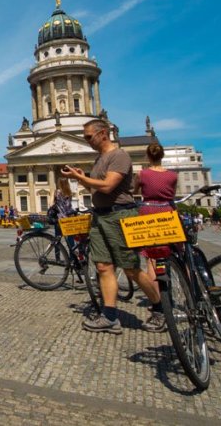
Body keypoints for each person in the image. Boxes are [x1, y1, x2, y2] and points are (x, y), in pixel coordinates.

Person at [62, 118, 165, 334]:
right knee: (103, 267)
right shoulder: (99, 159)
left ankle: (159, 308)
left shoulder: (119, 155)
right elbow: (97, 187)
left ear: (103, 133)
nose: (86, 140)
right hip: (100, 217)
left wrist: (81, 178)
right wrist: (81, 177)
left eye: (89, 136)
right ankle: (109, 316)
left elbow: (108, 186)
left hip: (119, 216)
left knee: (130, 268)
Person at [131, 143, 177, 286]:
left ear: (147, 156)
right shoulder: (173, 175)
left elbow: (134, 191)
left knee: (151, 257)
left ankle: (157, 299)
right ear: (162, 156)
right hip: (167, 211)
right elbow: (172, 194)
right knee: (175, 251)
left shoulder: (141, 174)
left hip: (149, 212)